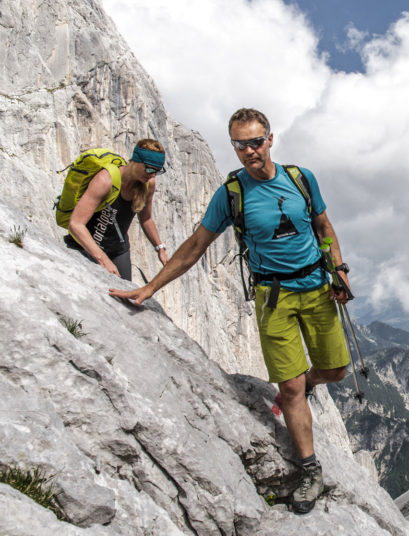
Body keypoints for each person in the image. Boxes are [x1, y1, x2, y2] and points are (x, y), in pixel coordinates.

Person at [109, 108, 351, 515]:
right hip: (273, 298)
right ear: (234, 147)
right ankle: (310, 469)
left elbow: (324, 228)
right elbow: (195, 246)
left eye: (256, 142)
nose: (250, 151)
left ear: (270, 139)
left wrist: (339, 269)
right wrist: (150, 287)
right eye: (241, 145)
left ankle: (311, 379)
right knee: (289, 389)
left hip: (316, 289)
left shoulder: (300, 179)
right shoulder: (231, 194)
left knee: (336, 371)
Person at [65, 139, 169, 279]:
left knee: (123, 298)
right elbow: (76, 224)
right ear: (136, 161)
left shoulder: (148, 184)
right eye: (150, 169)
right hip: (84, 246)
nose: (152, 175)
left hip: (118, 251)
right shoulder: (105, 180)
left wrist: (160, 248)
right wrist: (103, 259)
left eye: (157, 171)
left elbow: (146, 219)